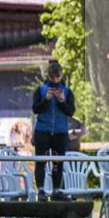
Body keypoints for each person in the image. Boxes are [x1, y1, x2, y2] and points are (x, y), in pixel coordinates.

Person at [31, 61, 76, 202]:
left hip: (60, 131)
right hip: (42, 130)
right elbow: (35, 109)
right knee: (41, 161)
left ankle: (56, 190)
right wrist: (47, 99)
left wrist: (62, 101)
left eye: (57, 77)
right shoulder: (40, 90)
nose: (55, 80)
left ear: (60, 75)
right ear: (48, 76)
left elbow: (71, 111)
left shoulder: (67, 91)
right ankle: (41, 191)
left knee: (58, 161)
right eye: (52, 77)